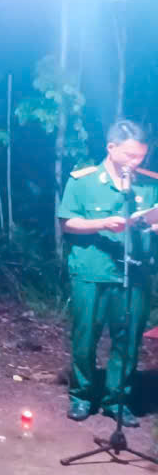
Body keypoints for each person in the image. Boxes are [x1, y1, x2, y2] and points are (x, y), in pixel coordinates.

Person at [58, 119, 157, 427]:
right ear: (111, 147)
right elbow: (67, 223)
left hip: (135, 272)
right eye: (129, 155)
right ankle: (82, 396)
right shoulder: (84, 181)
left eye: (141, 156)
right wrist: (102, 223)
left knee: (128, 340)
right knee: (85, 336)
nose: (135, 162)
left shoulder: (149, 184)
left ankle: (117, 400)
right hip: (92, 270)